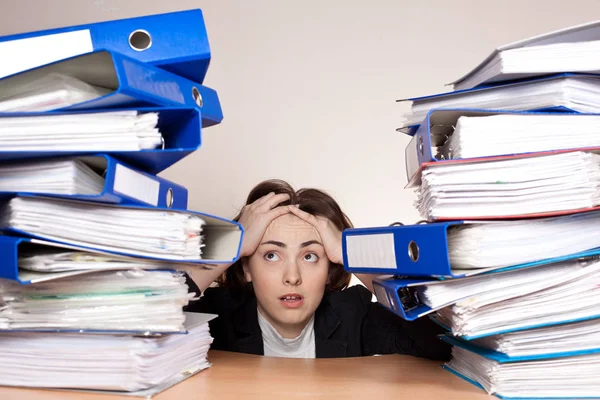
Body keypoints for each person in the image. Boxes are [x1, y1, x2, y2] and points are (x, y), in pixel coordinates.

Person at [184, 179, 450, 360]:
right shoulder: (217, 317)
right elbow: (147, 323)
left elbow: (444, 344)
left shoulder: (352, 316)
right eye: (272, 255)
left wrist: (352, 251)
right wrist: (232, 243)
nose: (292, 277)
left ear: (329, 268)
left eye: (310, 256)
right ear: (246, 268)